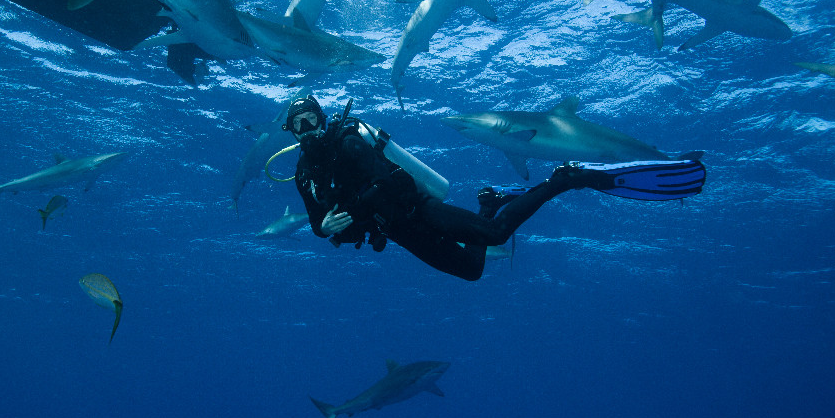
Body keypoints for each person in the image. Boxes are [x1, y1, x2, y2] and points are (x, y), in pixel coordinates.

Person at [282, 95, 704, 281]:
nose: (307, 129)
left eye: (312, 120)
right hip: (396, 232)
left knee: (497, 235)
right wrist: (324, 228)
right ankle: (490, 203)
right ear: (292, 131)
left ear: (323, 119)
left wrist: (353, 212)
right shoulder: (304, 172)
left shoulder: (350, 142)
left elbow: (380, 181)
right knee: (471, 271)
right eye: (299, 125)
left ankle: (565, 179)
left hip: (416, 209)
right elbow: (316, 222)